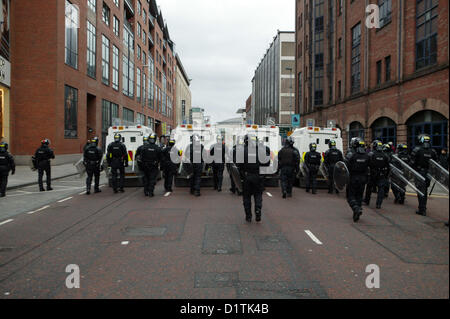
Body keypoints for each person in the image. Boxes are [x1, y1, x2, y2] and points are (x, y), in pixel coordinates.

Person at [237, 134, 270, 223]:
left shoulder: (242, 151)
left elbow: (238, 165)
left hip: (247, 177)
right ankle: (258, 211)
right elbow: (267, 163)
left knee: (247, 196)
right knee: (258, 195)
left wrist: (242, 176)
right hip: (258, 176)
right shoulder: (262, 151)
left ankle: (248, 216)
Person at [410, 134, 437, 216]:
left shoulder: (417, 150)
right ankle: (423, 208)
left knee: (420, 191)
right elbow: (436, 163)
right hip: (429, 173)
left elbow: (412, 162)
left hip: (419, 172)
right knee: (425, 190)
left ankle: (422, 209)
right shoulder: (433, 151)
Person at [345, 137, 370, 222]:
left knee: (350, 196)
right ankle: (357, 210)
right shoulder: (367, 156)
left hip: (353, 178)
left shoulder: (351, 155)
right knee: (359, 196)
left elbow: (345, 167)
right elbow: (369, 167)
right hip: (363, 179)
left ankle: (356, 208)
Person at [364, 141, 390, 209]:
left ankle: (367, 201)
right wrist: (386, 175)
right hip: (381, 174)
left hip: (373, 174)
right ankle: (379, 204)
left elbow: (366, 164)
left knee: (369, 187)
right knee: (381, 189)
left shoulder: (371, 154)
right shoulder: (385, 155)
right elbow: (388, 167)